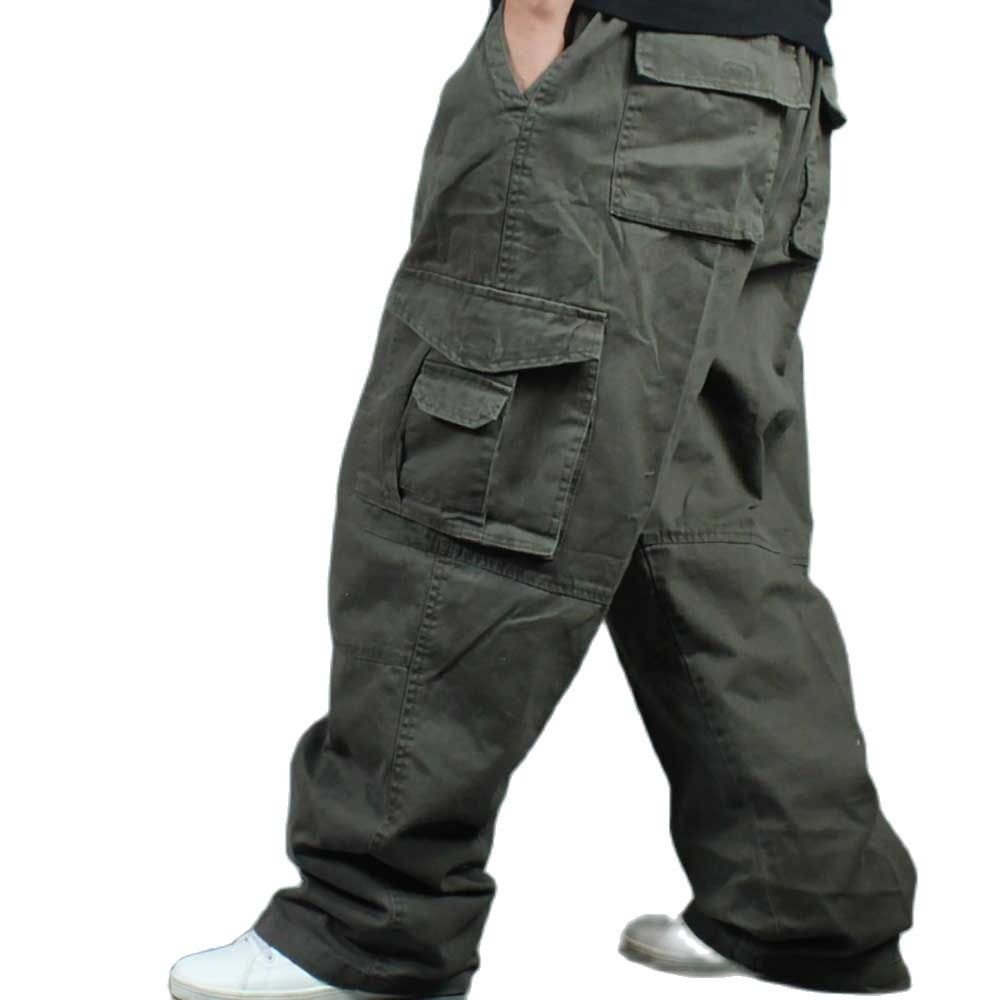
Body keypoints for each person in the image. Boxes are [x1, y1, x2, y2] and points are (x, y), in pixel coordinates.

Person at [168, 1, 917, 997]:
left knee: (476, 487)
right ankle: (805, 898)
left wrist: (531, 31)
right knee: (706, 521)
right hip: (771, 84)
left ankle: (370, 923)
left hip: (624, 71)